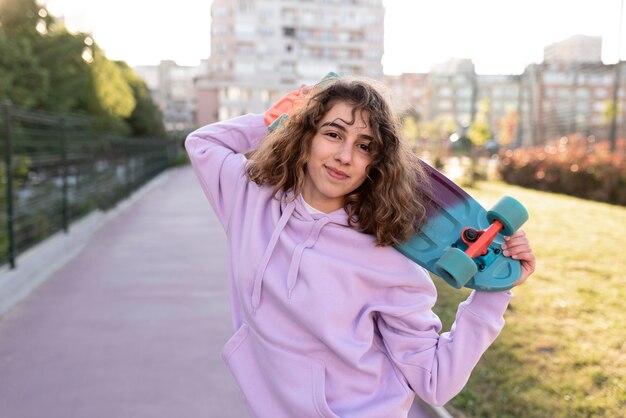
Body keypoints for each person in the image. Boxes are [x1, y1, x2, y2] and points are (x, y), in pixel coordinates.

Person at [185, 75, 535, 418]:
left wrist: (495, 291)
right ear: (305, 136)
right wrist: (275, 117)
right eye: (333, 133)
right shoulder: (250, 199)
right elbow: (202, 144)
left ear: (376, 163)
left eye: (365, 146)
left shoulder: (387, 260)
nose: (344, 156)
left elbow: (436, 381)